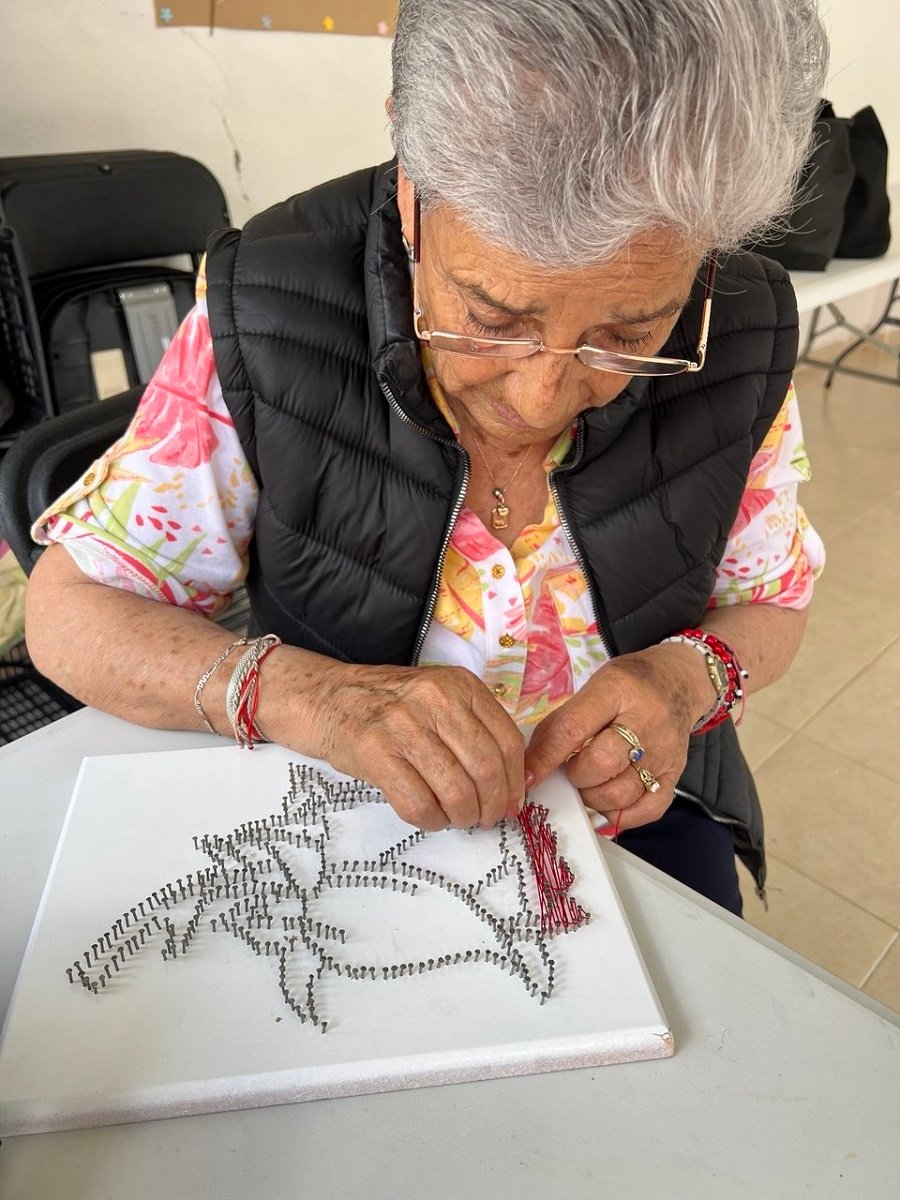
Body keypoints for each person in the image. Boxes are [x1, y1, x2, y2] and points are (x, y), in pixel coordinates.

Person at [26, 0, 828, 915]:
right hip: (346, 821)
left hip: (631, 814)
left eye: (630, 332)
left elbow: (771, 601)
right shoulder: (273, 308)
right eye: (492, 318)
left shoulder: (737, 329)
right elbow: (71, 610)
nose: (542, 399)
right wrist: (315, 701)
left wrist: (685, 680)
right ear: (412, 193)